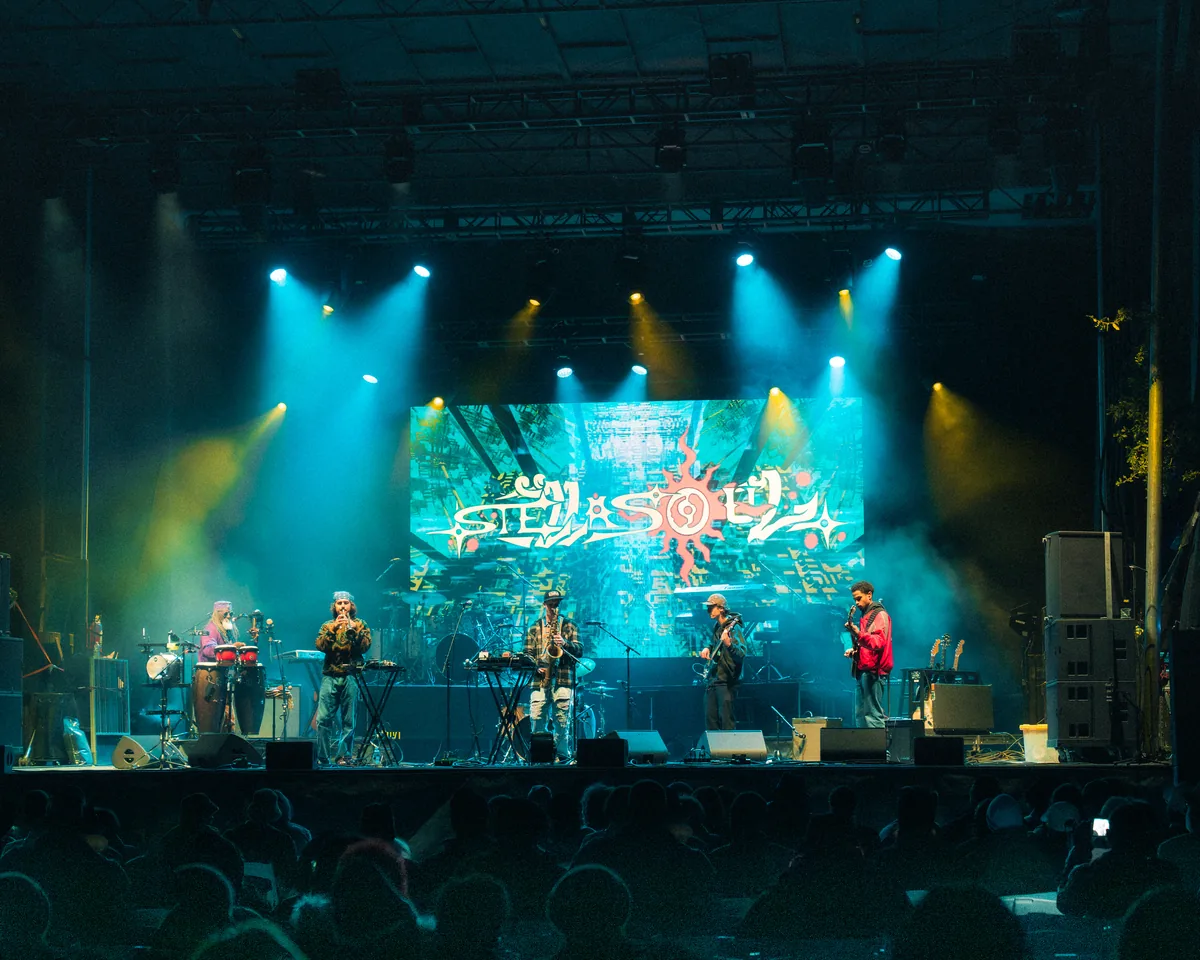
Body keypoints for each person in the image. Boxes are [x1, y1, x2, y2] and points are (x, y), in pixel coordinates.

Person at [523, 589, 582, 762]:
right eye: (551, 604)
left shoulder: (570, 626)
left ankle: (562, 758)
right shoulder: (534, 627)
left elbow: (580, 650)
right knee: (537, 720)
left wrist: (565, 643)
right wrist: (536, 667)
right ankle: (540, 757)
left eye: (557, 604)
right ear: (544, 605)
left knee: (562, 723)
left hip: (563, 680)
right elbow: (526, 654)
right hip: (540, 681)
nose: (554, 607)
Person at [315, 590, 371, 764]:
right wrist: (333, 630)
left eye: (345, 603)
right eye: (339, 604)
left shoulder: (361, 624)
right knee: (323, 719)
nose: (342, 607)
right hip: (330, 675)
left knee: (348, 720)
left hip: (351, 675)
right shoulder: (327, 625)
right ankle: (323, 757)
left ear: (351, 606)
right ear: (334, 606)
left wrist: (354, 630)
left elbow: (365, 647)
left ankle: (342, 756)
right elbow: (320, 646)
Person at [844, 580, 893, 727]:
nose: (857, 603)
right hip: (864, 670)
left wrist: (858, 633)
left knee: (873, 716)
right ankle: (865, 749)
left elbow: (878, 642)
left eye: (859, 598)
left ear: (869, 595)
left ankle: (878, 750)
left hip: (873, 673)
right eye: (854, 600)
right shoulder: (866, 616)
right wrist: (855, 652)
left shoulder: (879, 615)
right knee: (860, 716)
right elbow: (868, 645)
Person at [699, 593, 746, 730]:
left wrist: (729, 644)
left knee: (726, 720)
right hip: (714, 679)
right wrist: (708, 647)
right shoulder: (717, 627)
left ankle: (729, 750)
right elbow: (714, 643)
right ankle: (714, 750)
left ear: (721, 608)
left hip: (727, 682)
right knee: (710, 718)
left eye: (711, 607)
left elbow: (741, 653)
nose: (708, 610)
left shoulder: (734, 628)